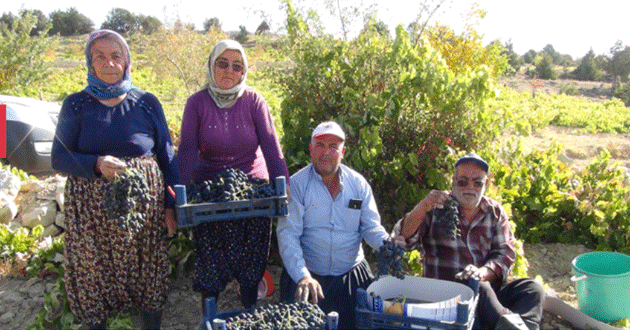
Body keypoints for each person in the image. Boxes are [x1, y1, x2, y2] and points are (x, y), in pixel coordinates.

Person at [51, 29, 179, 330]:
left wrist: (171, 205)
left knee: (149, 271)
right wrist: (96, 163)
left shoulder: (146, 102)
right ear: (90, 62)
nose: (109, 63)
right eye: (100, 57)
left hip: (142, 209)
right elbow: (59, 157)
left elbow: (167, 154)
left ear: (127, 61)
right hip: (92, 212)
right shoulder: (76, 105)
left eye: (116, 56)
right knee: (92, 272)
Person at [176, 39, 289, 312]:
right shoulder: (197, 104)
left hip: (252, 193)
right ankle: (211, 319)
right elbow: (187, 152)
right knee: (210, 270)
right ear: (211, 66)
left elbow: (272, 148)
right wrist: (175, 198)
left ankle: (248, 313)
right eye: (222, 63)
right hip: (211, 196)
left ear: (244, 71)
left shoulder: (254, 101)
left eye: (237, 66)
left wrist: (285, 193)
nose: (229, 71)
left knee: (251, 267)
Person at [391, 152, 545, 330]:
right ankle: (510, 324)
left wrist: (481, 272)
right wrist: (422, 207)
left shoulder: (494, 212)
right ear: (453, 182)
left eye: (477, 183)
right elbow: (404, 238)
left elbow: (505, 254)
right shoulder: (436, 207)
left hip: (487, 294)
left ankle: (515, 325)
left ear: (485, 184)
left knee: (532, 288)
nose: (469, 187)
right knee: (478, 287)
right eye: (463, 182)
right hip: (447, 298)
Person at [277, 121, 390, 329]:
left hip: (351, 277)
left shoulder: (358, 185)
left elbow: (371, 227)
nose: (326, 152)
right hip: (308, 278)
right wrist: (302, 275)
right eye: (320, 145)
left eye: (333, 146)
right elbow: (288, 235)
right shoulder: (297, 186)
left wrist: (388, 247)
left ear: (343, 151)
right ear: (310, 149)